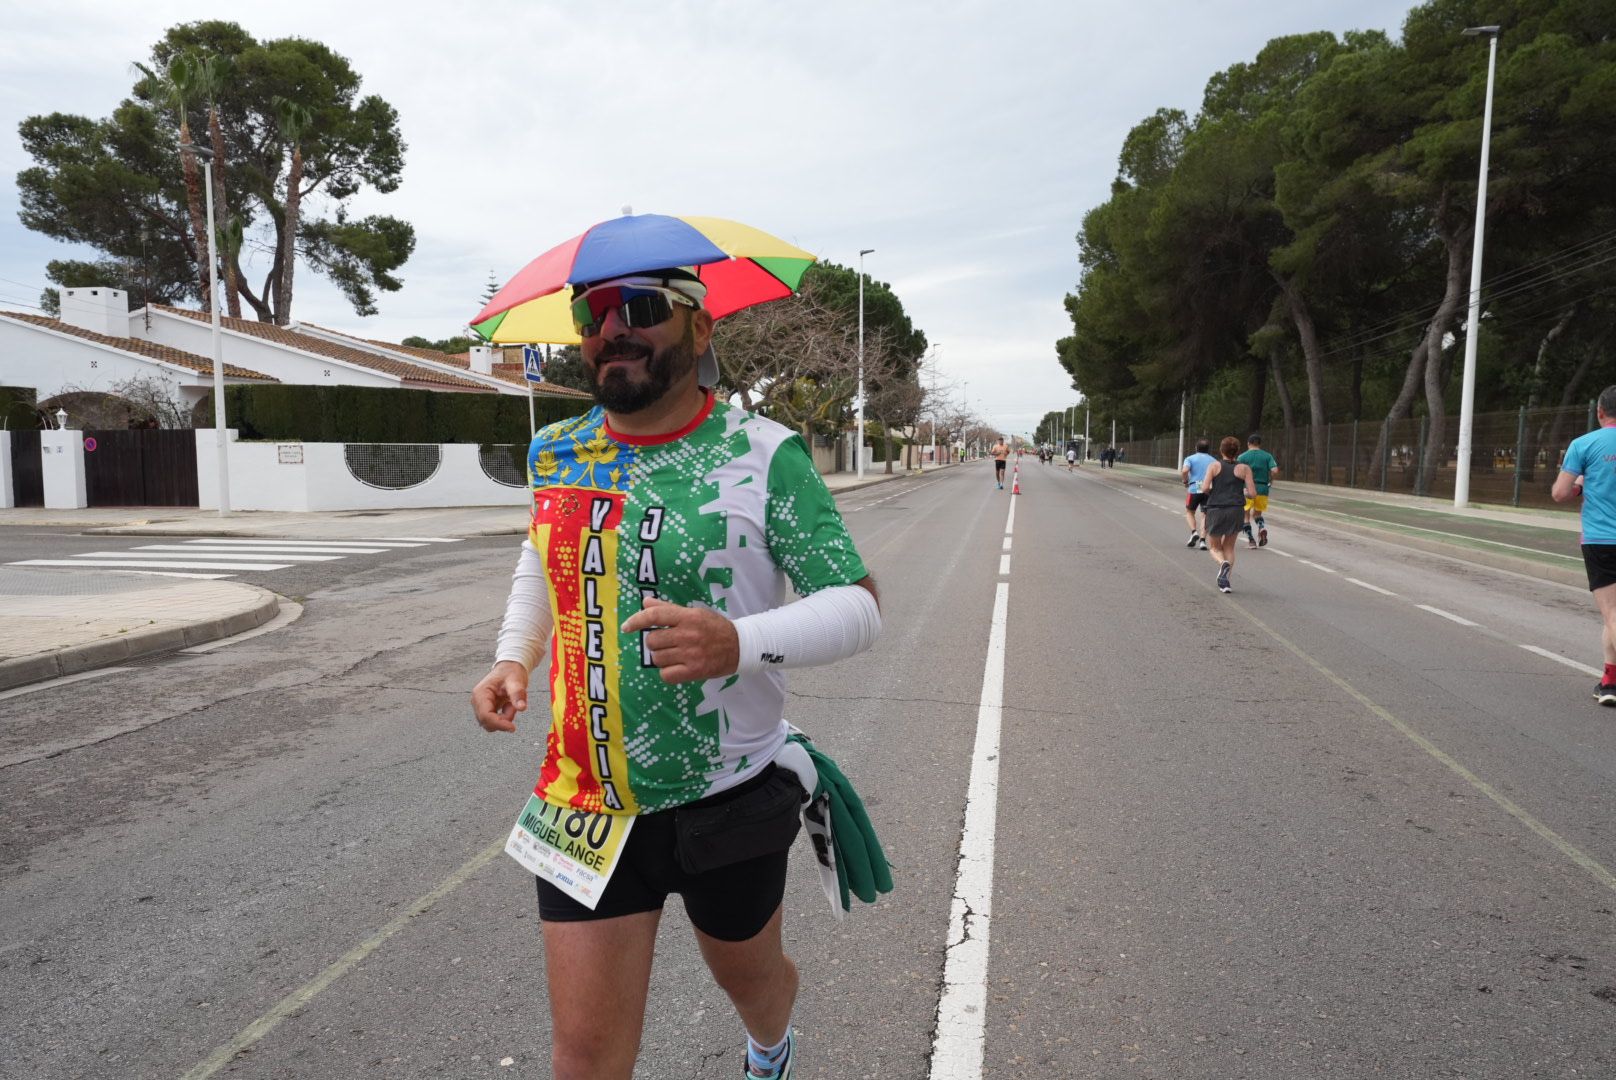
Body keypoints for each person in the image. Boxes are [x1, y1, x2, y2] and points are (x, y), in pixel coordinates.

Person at [471, 267, 882, 1079]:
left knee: (753, 980)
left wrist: (740, 640)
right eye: (593, 313)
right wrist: (513, 656)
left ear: (701, 329)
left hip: (726, 793)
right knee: (584, 1057)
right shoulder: (557, 449)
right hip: (585, 797)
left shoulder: (763, 456)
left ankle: (771, 1043)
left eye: (642, 309)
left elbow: (858, 605)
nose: (612, 329)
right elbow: (541, 556)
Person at [1553, 384, 1616, 705]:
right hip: (1602, 539)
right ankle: (1610, 682)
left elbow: (1560, 494)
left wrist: (1580, 486)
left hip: (1602, 539)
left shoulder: (1584, 444)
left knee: (1613, 613)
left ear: (1600, 412)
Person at [1201, 436, 1257, 593]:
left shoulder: (1214, 466)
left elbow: (1205, 488)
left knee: (1214, 547)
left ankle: (1222, 564)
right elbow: (1252, 494)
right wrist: (1243, 492)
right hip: (1236, 509)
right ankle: (1225, 582)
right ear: (1237, 451)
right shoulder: (1245, 468)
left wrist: (1214, 491)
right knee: (1229, 547)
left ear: (1221, 450)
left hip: (1216, 509)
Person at [1237, 434, 1281, 549]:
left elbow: (1237, 471)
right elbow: (1275, 470)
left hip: (1247, 488)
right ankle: (1261, 527)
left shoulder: (1242, 456)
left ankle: (1251, 541)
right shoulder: (1267, 456)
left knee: (1245, 516)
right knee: (1257, 513)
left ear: (1248, 443)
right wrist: (1271, 480)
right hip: (1262, 488)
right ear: (1260, 444)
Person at [1179, 438, 1217, 550]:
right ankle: (1202, 541)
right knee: (1205, 515)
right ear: (1208, 449)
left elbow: (1185, 471)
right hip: (1208, 489)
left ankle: (1194, 532)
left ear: (1196, 448)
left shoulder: (1190, 458)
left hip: (1194, 488)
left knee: (1190, 512)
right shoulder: (1214, 461)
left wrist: (1185, 481)